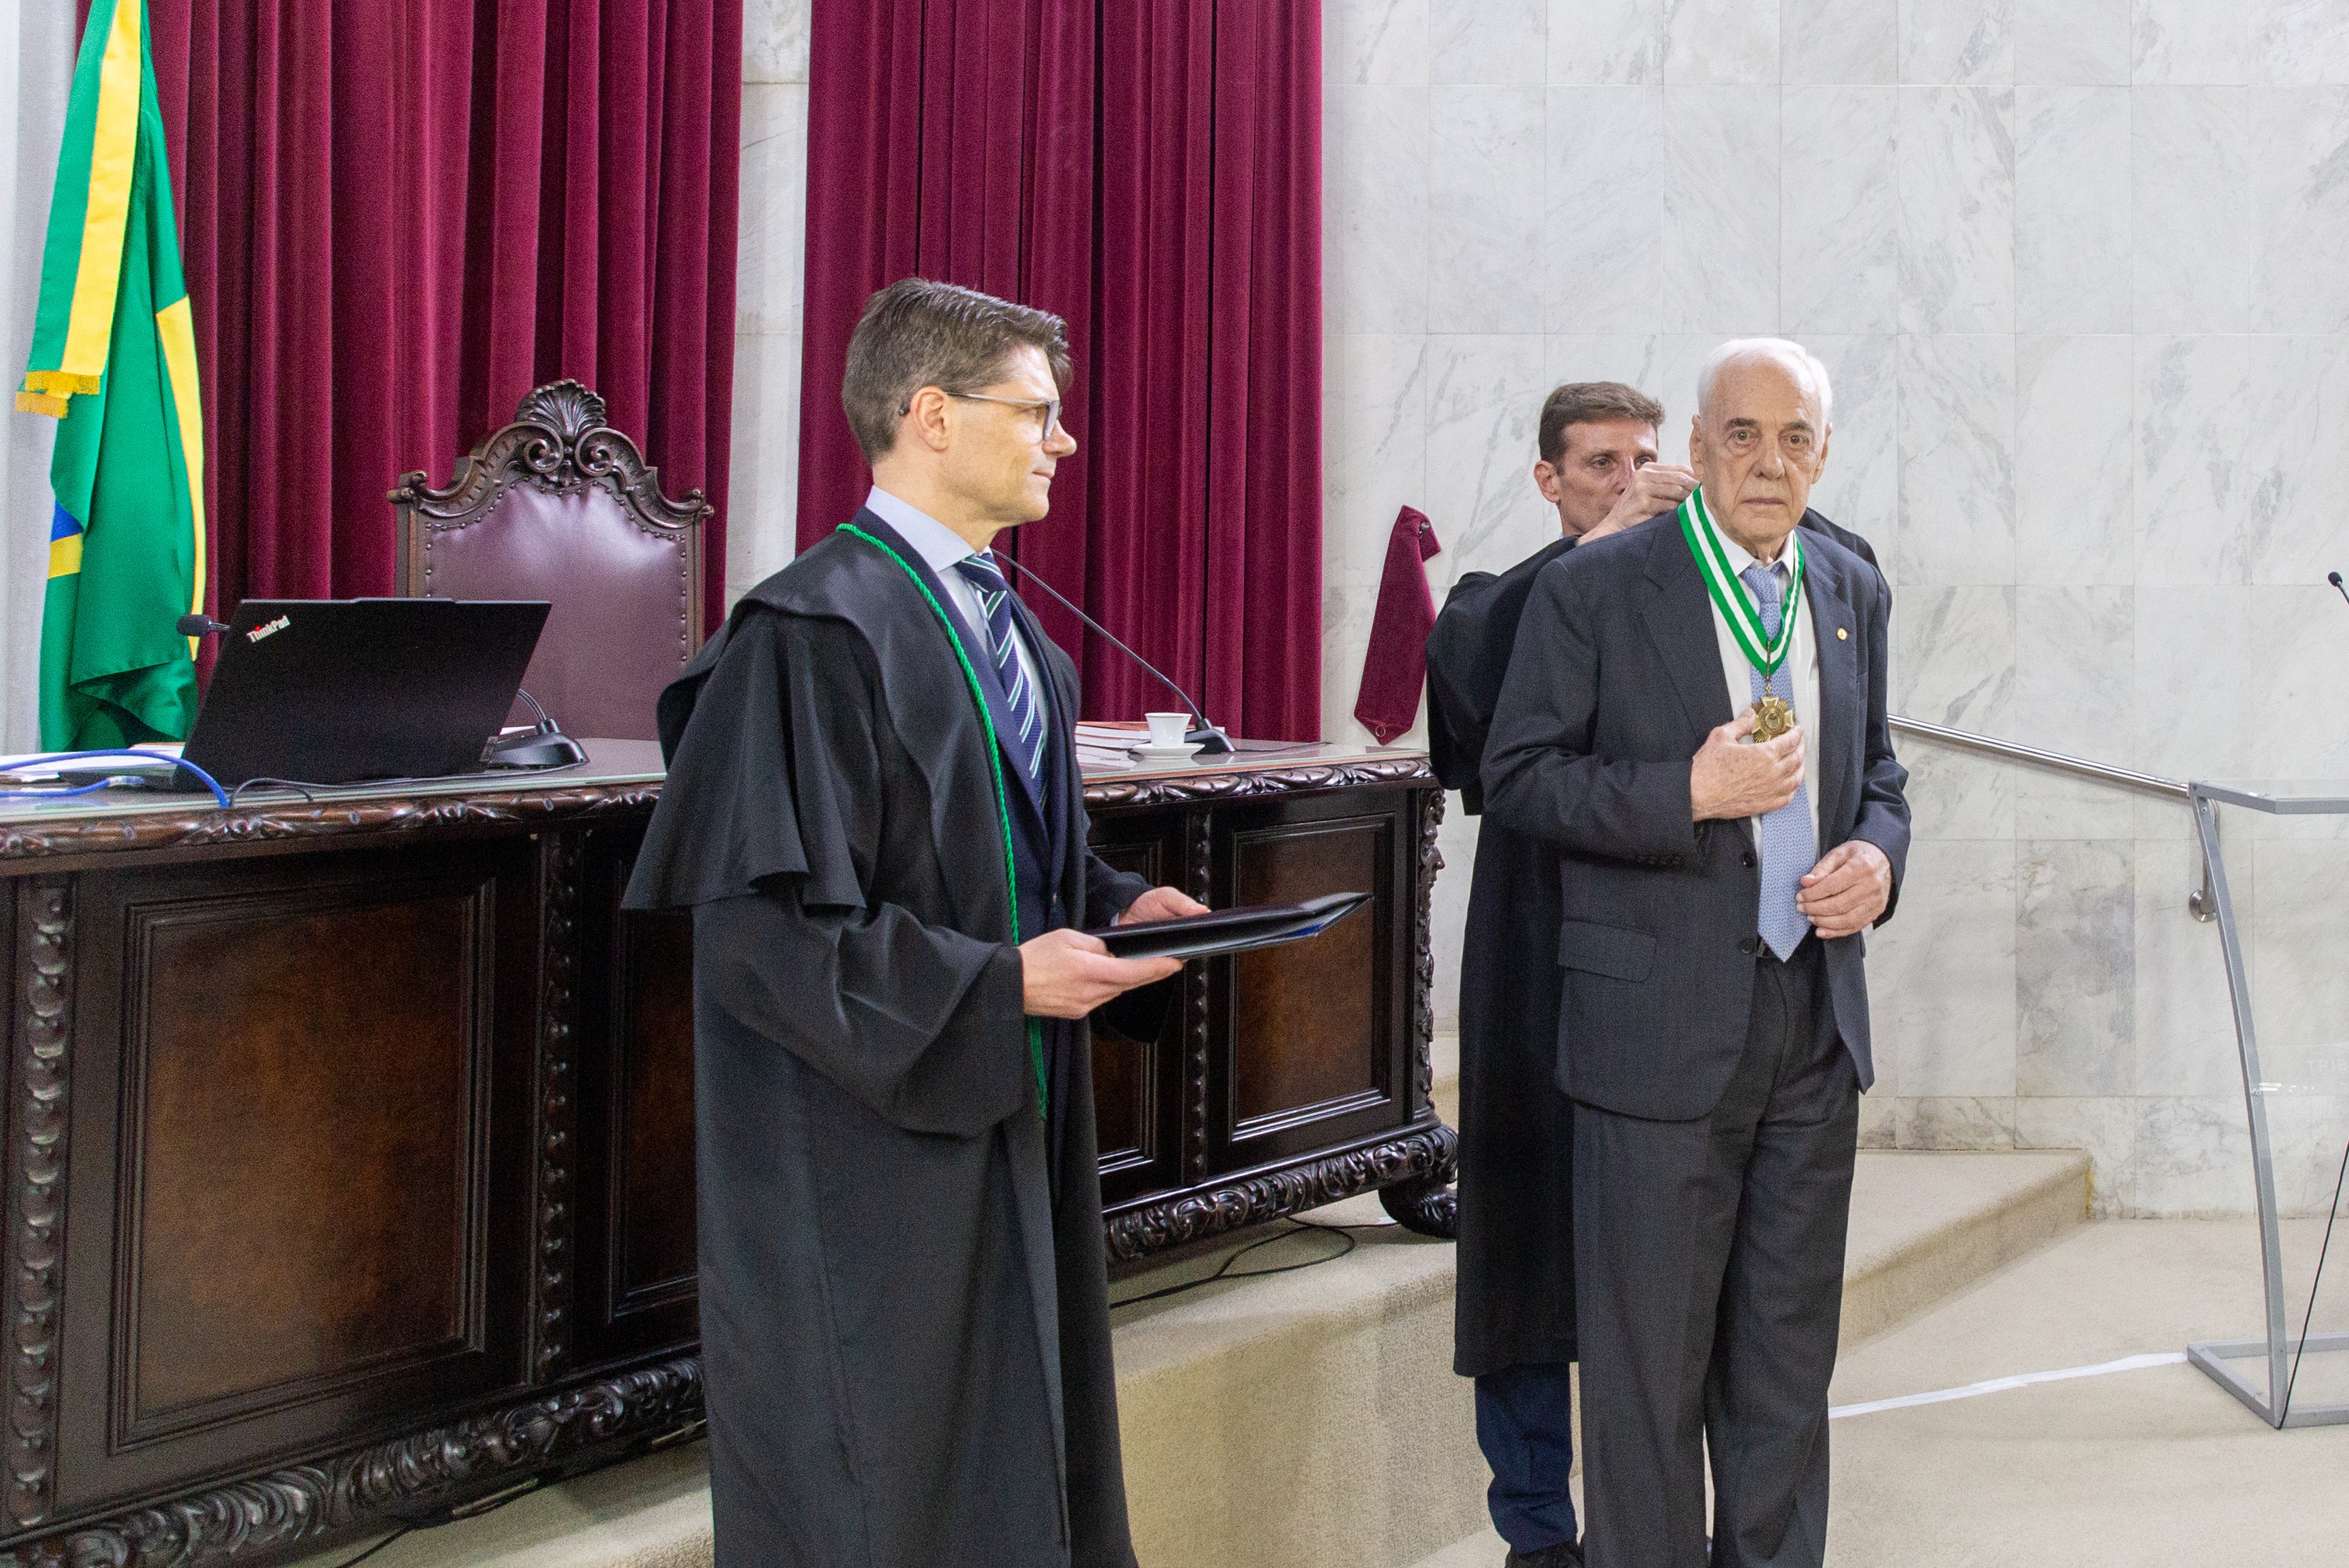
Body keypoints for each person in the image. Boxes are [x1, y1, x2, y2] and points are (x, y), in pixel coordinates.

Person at [624, 277, 1207, 1568]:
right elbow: (762, 936)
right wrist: (996, 982)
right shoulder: (807, 635)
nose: (1062, 440)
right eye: (1036, 412)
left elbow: (1002, 861)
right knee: (881, 1484)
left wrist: (1114, 908)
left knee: (1013, 1463)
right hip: (861, 1163)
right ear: (932, 415)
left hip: (1005, 1123)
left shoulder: (1018, 637)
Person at [1428, 380, 1881, 1568]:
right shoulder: (1581, 590)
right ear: (1702, 446)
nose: (1767, 462)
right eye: (1740, 435)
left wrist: (1878, 856)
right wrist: (1685, 791)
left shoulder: (1846, 585)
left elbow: (1875, 772)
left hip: (1811, 1023)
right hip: (1649, 1024)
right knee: (1642, 1381)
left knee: (1784, 1363)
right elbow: (1515, 775)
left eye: (1794, 439)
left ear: (1823, 454)